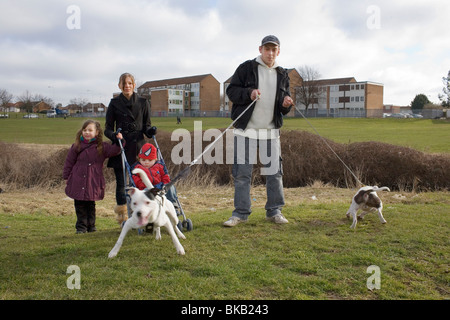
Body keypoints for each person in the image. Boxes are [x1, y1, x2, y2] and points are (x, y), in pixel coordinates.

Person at [224, 35, 294, 227]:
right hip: (246, 131)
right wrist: (250, 93)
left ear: (278, 52)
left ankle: (274, 211)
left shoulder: (283, 73)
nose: (270, 53)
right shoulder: (246, 68)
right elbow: (231, 92)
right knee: (242, 174)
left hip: (270, 132)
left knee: (274, 173)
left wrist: (286, 104)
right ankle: (240, 213)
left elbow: (282, 105)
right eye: (267, 49)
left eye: (274, 50)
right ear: (260, 49)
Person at [104, 73, 156, 225]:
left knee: (138, 184)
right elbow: (107, 128)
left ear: (134, 85)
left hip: (138, 150)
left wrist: (151, 131)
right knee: (121, 185)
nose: (127, 86)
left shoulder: (143, 102)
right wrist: (114, 135)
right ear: (119, 85)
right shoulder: (114, 103)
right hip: (121, 147)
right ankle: (122, 217)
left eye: (130, 83)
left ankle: (139, 216)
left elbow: (146, 126)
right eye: (124, 83)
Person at [63, 120, 124, 233]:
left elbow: (115, 150)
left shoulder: (102, 147)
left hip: (93, 179)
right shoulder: (76, 146)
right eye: (84, 130)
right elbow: (69, 162)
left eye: (90, 130)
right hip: (78, 178)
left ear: (96, 132)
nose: (87, 132)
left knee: (91, 204)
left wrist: (120, 140)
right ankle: (81, 228)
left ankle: (91, 226)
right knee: (79, 204)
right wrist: (67, 177)